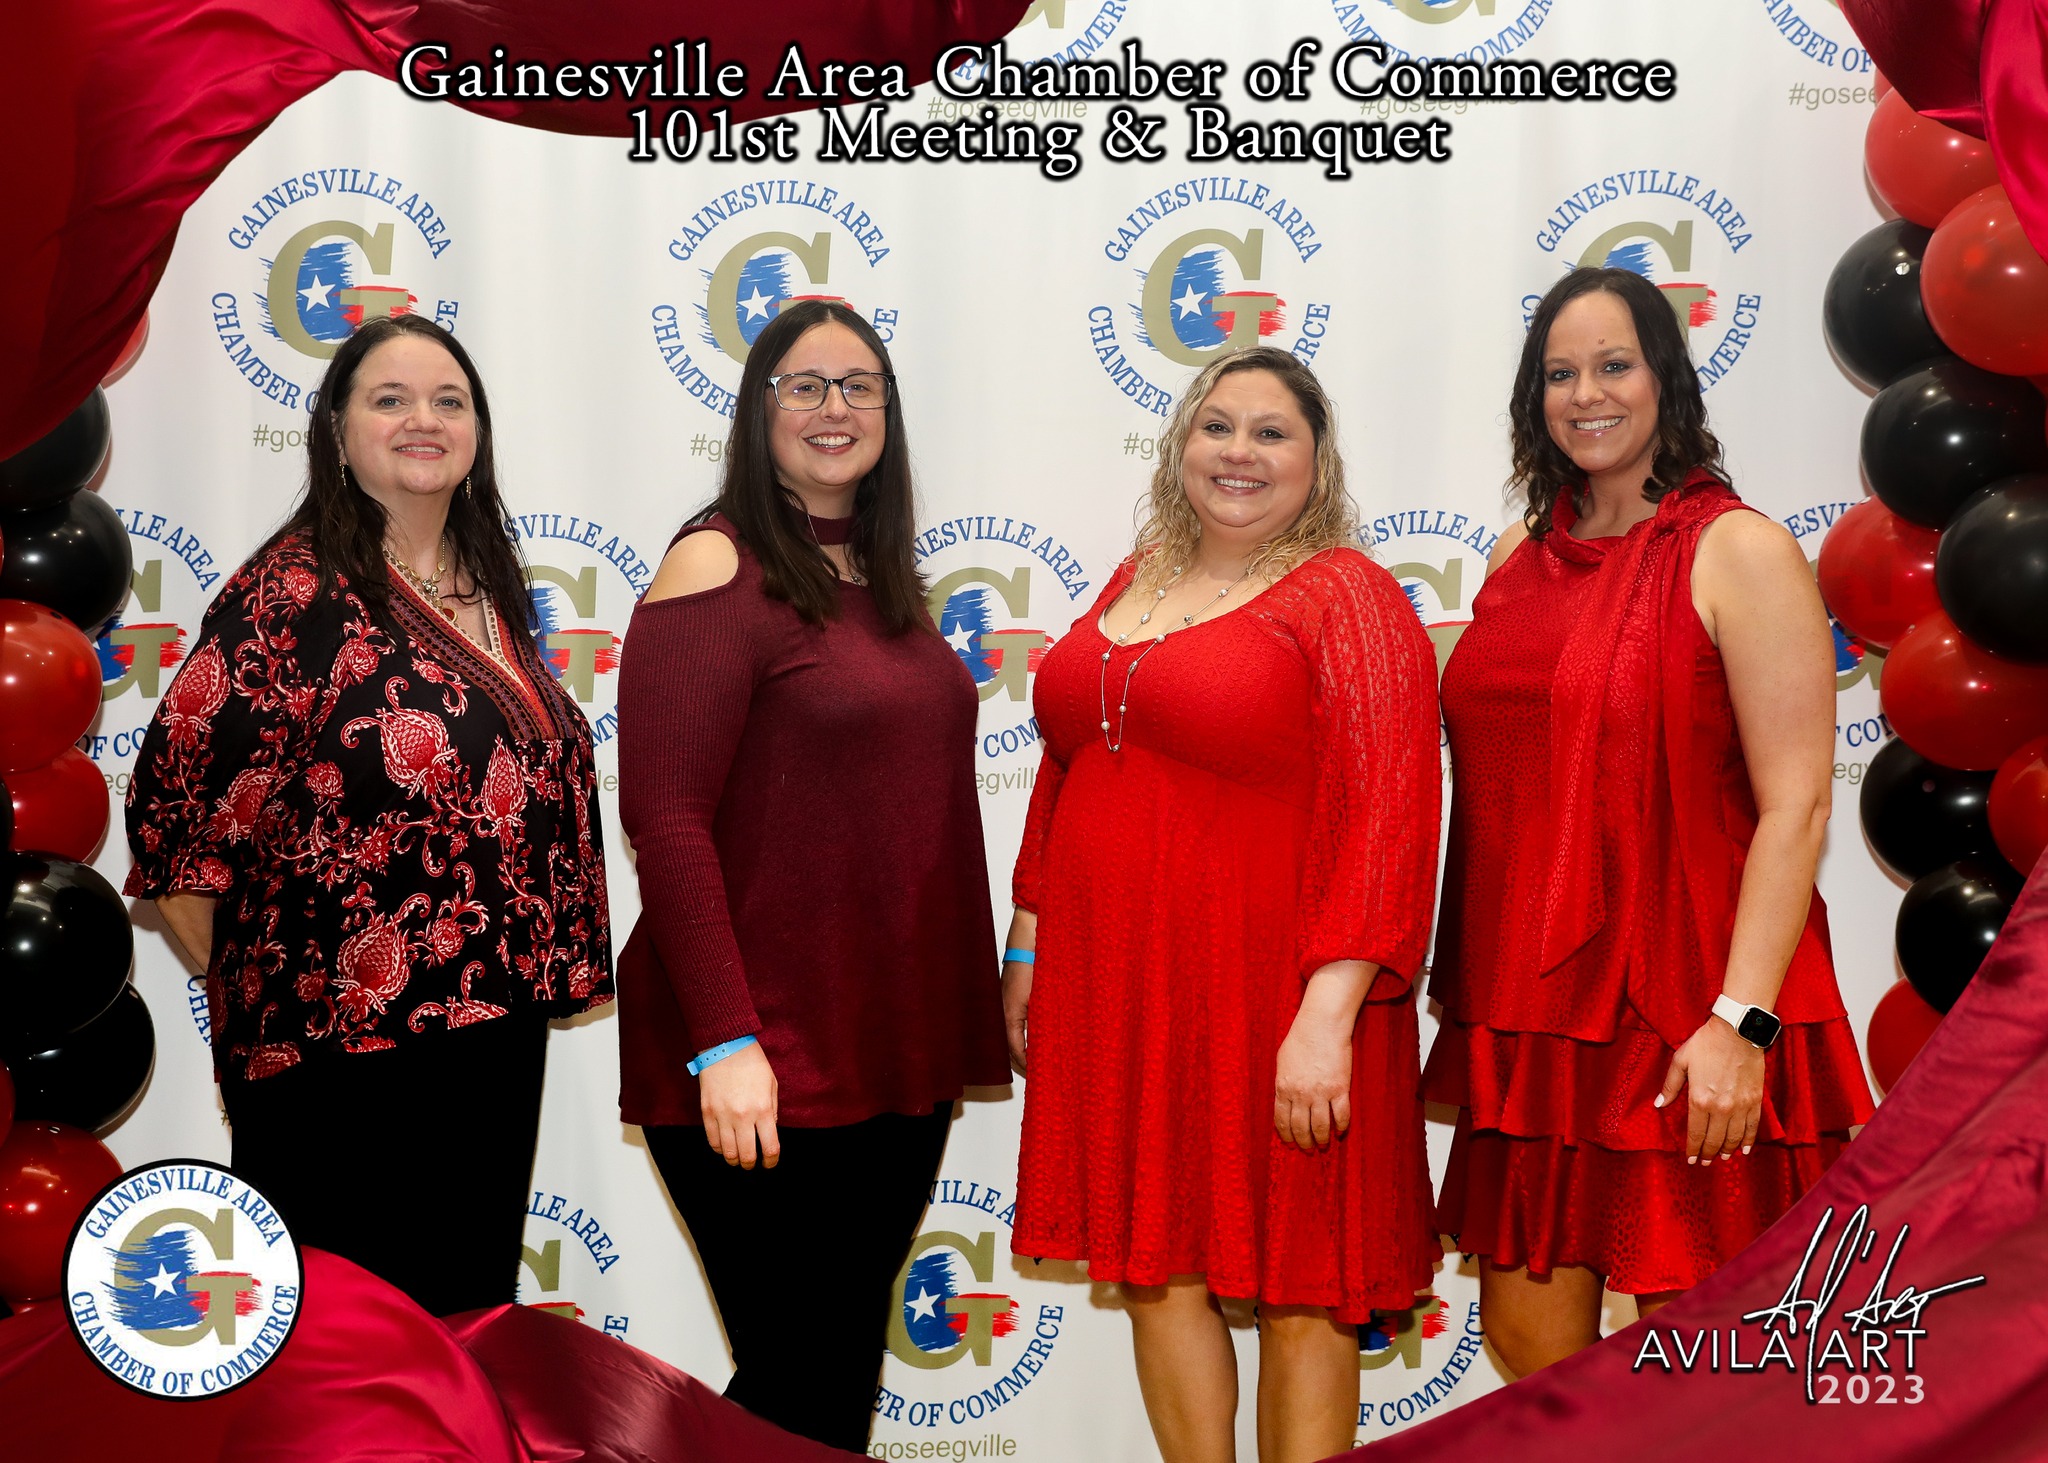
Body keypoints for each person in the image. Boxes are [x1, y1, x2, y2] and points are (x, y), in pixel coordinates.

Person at [1423, 267, 1877, 1376]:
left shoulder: (1739, 549)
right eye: (1559, 373)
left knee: (1702, 1371)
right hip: (1536, 1024)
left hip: (1688, 1009)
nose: (1585, 393)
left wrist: (1742, 1022)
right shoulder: (1514, 557)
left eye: (1613, 364)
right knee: (1534, 1360)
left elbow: (1797, 805)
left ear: (1665, 377)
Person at [1002, 347, 1442, 1463]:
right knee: (1158, 1267)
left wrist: (1328, 1013)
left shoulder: (1348, 594)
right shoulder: (1136, 575)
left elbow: (1389, 814)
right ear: (1180, 445)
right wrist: (1029, 940)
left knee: (1303, 1282)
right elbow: (1065, 768)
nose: (1239, 452)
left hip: (1282, 995)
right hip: (1126, 984)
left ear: (1316, 460)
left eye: (1270, 432)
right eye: (1218, 426)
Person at [125, 313, 613, 1316]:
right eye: (390, 399)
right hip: (338, 1067)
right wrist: (280, 1000)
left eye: (448, 400)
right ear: (337, 434)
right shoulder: (291, 593)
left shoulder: (490, 583)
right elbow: (179, 822)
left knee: (461, 1330)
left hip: (491, 1045)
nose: (423, 419)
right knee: (349, 1349)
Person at [614, 299, 1010, 1453]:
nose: (834, 407)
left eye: (858, 385)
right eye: (804, 384)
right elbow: (665, 819)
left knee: (830, 1378)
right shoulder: (714, 559)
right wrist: (725, 1041)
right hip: (758, 1047)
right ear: (758, 410)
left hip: (892, 1042)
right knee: (800, 1371)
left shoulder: (880, 576)